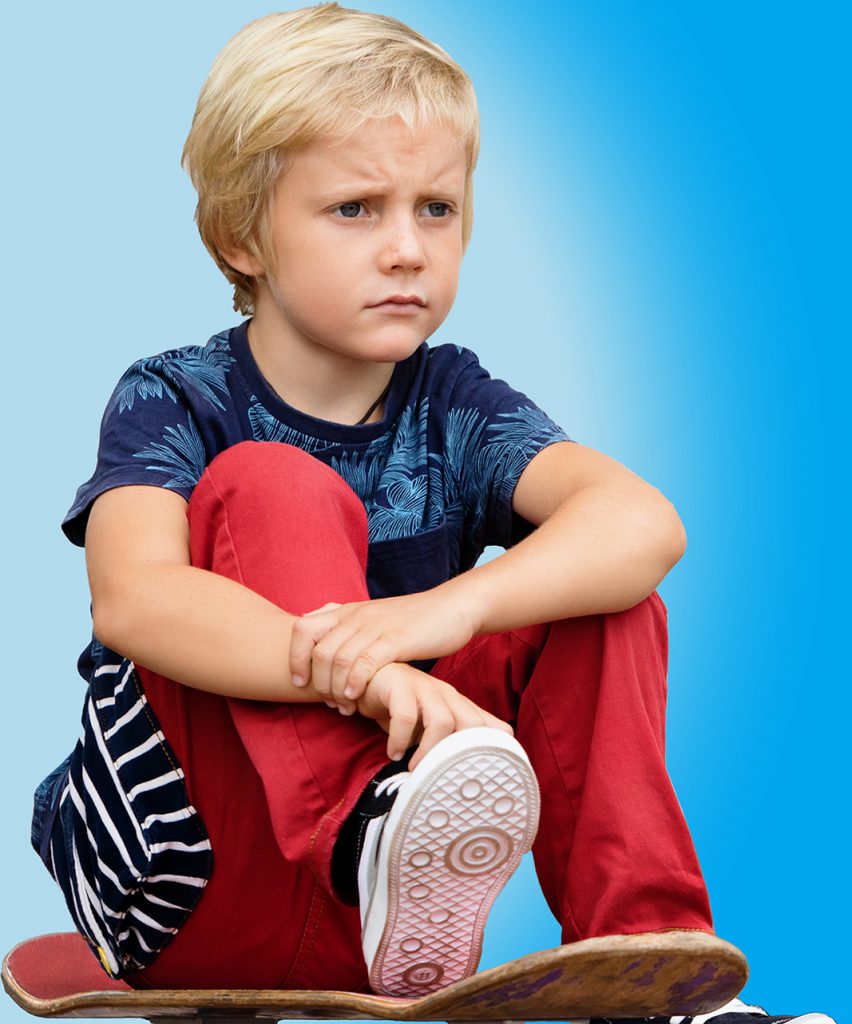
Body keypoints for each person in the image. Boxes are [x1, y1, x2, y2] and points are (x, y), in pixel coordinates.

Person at [29, 6, 833, 1024]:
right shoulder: (175, 398)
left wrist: (440, 614)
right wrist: (374, 679)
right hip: (193, 875)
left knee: (601, 591)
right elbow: (133, 601)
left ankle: (651, 973)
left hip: (395, 920)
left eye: (438, 210)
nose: (407, 249)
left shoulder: (453, 401)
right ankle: (366, 825)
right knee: (273, 485)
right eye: (356, 208)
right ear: (243, 233)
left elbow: (641, 522)